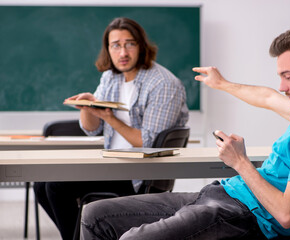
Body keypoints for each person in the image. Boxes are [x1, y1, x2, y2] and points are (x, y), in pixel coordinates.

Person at [80, 25, 290, 240]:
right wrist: (222, 84)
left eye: (288, 76)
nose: (281, 86)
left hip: (242, 215)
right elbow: (267, 97)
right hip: (223, 195)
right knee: (94, 214)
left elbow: (285, 214)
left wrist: (240, 162)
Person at [33, 17, 188, 240]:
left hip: (140, 174)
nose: (122, 52)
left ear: (141, 46)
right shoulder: (111, 77)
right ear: (108, 49)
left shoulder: (163, 83)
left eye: (129, 44)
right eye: (116, 45)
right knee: (42, 184)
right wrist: (87, 107)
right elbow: (92, 130)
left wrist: (111, 119)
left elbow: (149, 143)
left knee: (57, 186)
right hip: (112, 164)